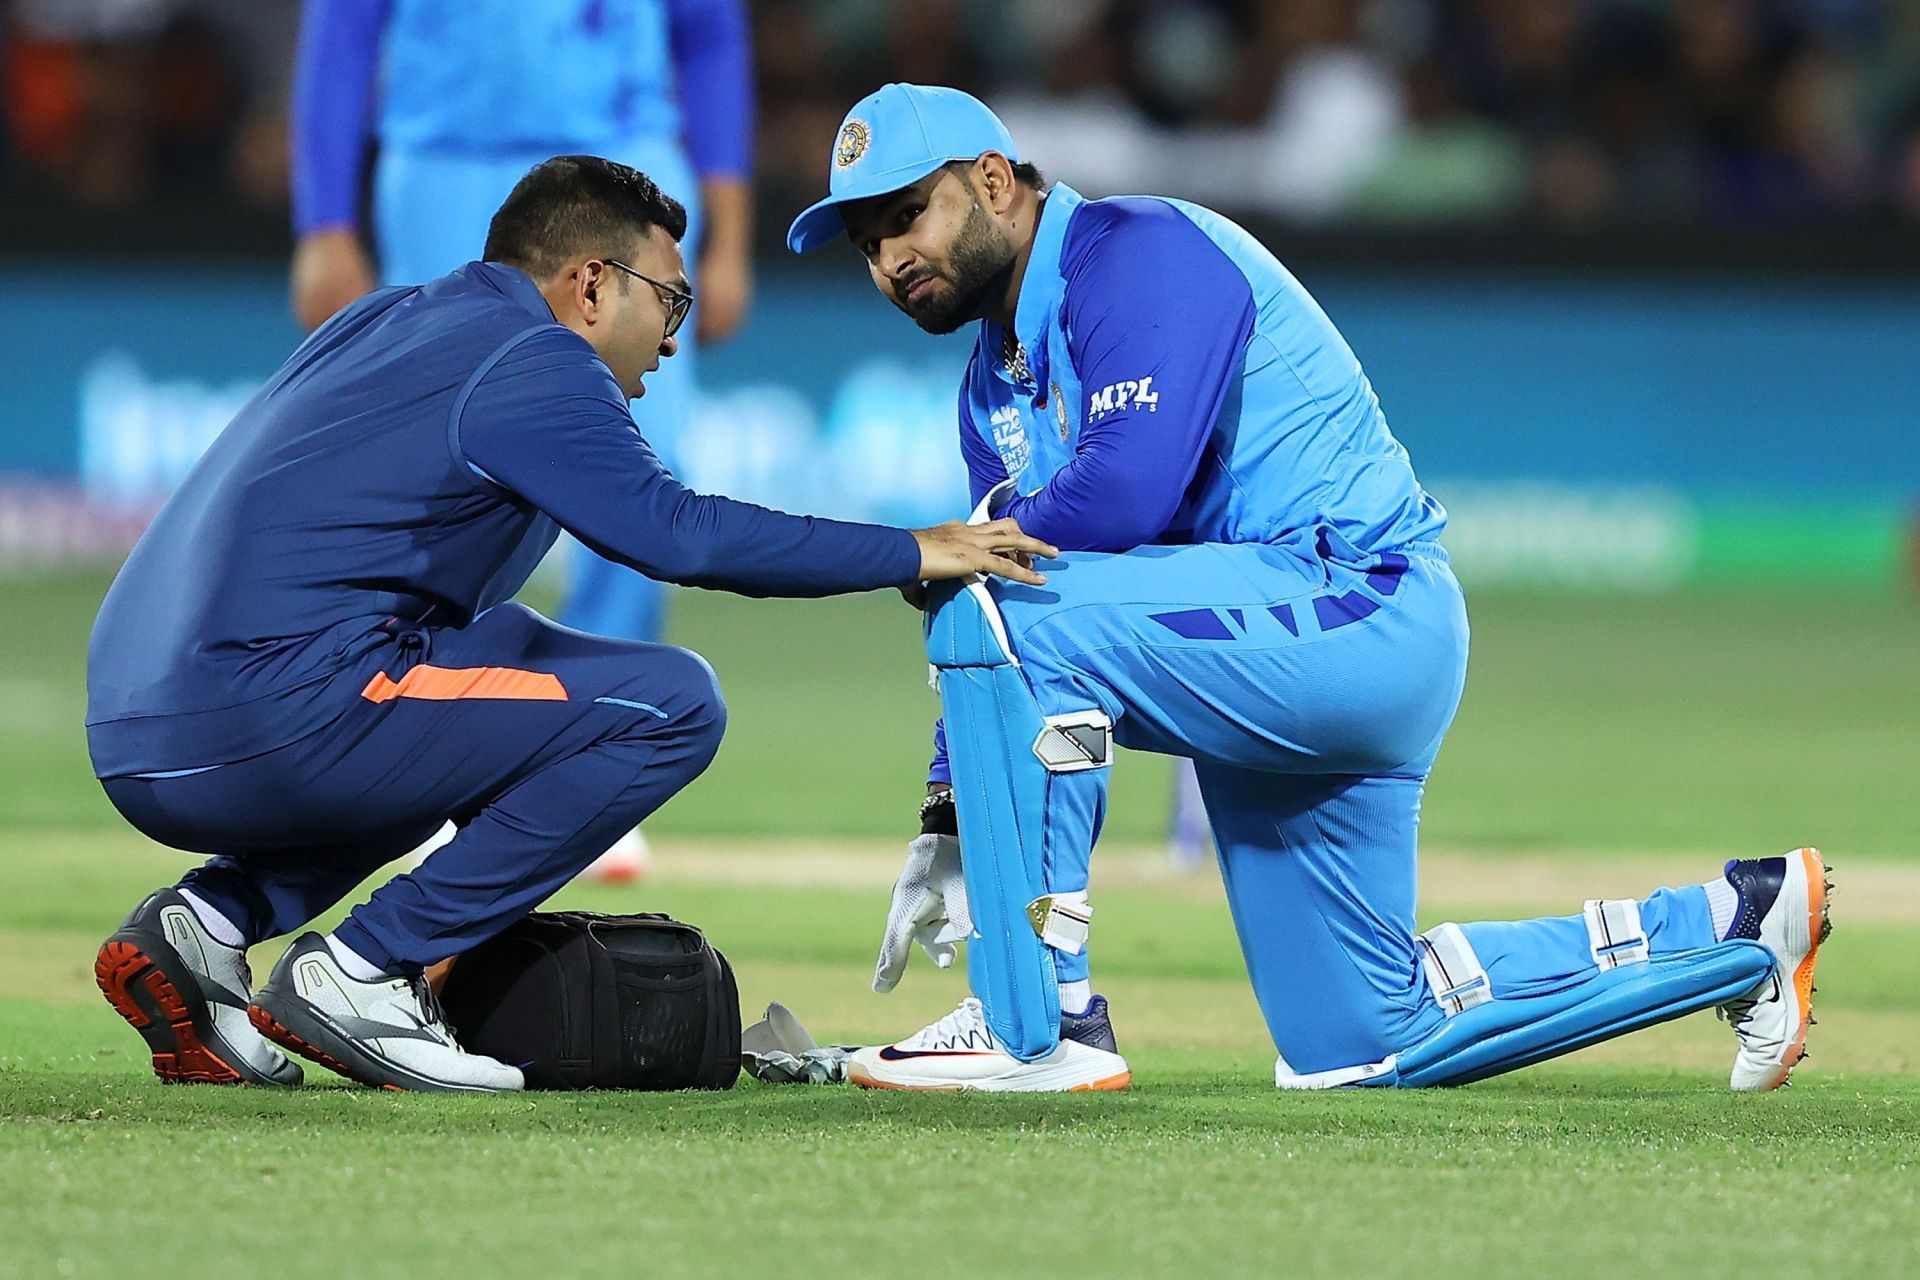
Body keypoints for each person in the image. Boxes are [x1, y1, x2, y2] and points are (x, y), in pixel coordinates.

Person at [786, 85, 1830, 1094]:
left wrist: (964, 608)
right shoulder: (989, 385)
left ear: (997, 178)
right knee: (1358, 1038)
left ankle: (1038, 1020)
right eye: (867, 242)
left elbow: (1124, 495)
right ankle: (1738, 921)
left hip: (1358, 604)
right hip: (1266, 647)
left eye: (907, 215)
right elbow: (1005, 593)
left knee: (1007, 607)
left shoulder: (1135, 252)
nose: (890, 258)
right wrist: (953, 807)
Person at [88, 156, 1055, 1095]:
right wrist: (913, 549)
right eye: (669, 301)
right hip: (267, 714)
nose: (675, 340)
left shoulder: (393, 319)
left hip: (144, 724)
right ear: (590, 285)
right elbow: (679, 535)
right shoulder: (536, 357)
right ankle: (367, 969)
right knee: (666, 705)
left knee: (493, 689)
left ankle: (206, 925)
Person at [287, 0, 752, 769]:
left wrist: (731, 241)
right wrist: (323, 224)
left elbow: (708, 35)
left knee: (646, 460)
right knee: (434, 474)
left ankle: (600, 745)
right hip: (445, 163)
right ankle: (427, 737)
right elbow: (344, 32)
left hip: (626, 159)